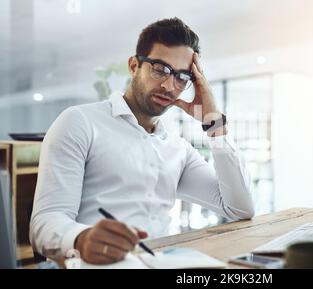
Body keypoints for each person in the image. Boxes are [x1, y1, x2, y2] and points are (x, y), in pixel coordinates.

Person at [30, 18, 254, 264]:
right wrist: (81, 237)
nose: (169, 86)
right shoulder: (80, 122)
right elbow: (44, 223)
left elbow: (239, 208)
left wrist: (214, 123)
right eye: (160, 69)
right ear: (134, 65)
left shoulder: (178, 149)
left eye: (182, 77)